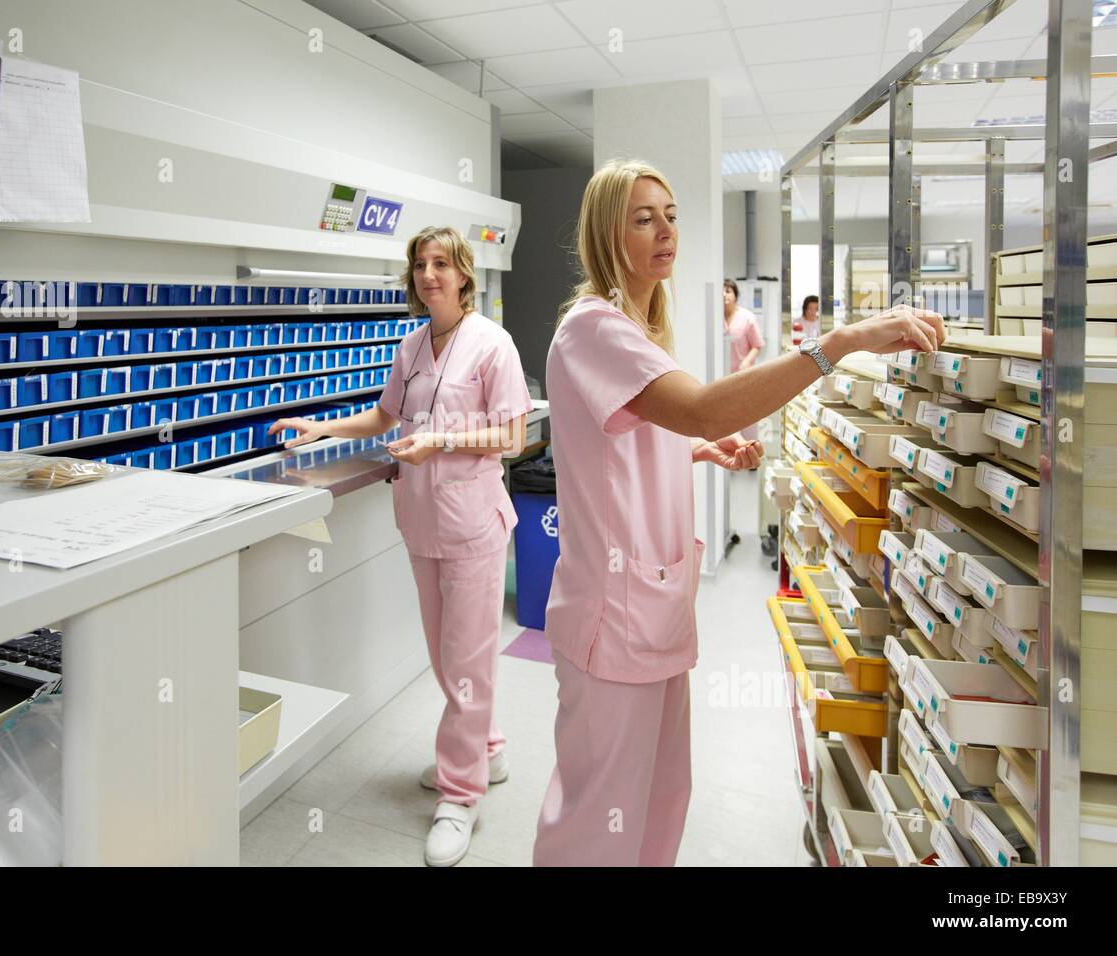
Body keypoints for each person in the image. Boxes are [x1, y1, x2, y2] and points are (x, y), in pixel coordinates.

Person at [532, 159, 945, 867]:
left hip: (653, 609)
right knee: (599, 827)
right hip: (614, 618)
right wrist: (835, 345)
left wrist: (695, 452)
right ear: (607, 234)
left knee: (661, 803)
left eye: (670, 214)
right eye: (643, 218)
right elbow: (699, 406)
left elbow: (619, 448)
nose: (666, 230)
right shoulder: (593, 328)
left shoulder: (634, 325)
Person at [269, 225, 531, 868]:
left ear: (465, 275)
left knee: (468, 661)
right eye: (420, 264)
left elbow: (515, 434)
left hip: (471, 522)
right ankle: (486, 748)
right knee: (447, 655)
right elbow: (387, 417)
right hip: (421, 520)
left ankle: (461, 794)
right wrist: (320, 426)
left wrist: (440, 442)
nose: (429, 274)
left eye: (442, 263)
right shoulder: (411, 345)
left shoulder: (492, 345)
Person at [722, 278, 765, 442]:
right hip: (722, 377)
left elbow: (757, 345)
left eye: (728, 291)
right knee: (726, 416)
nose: (724, 295)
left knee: (746, 416)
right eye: (722, 291)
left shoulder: (747, 317)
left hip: (743, 375)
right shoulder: (714, 317)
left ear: (735, 295)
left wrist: (747, 361)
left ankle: (750, 452)